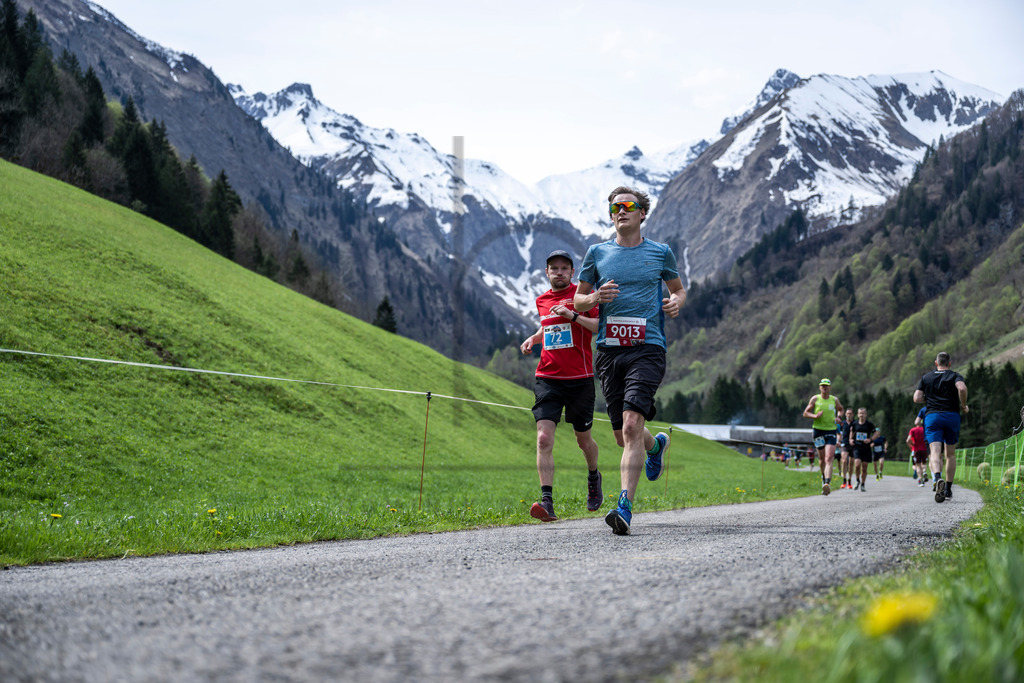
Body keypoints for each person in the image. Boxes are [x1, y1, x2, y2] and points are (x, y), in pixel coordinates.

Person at [574, 185, 686, 535]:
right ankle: (657, 447)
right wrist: (594, 297)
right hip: (609, 350)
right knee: (625, 436)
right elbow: (578, 302)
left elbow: (678, 289)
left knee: (633, 424)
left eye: (628, 206)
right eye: (614, 207)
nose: (620, 211)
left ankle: (624, 506)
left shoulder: (660, 252)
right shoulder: (597, 252)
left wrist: (677, 302)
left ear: (642, 213)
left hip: (647, 347)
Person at [520, 250, 602, 522]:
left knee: (583, 440)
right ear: (547, 272)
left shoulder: (582, 296)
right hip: (548, 378)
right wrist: (534, 337)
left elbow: (597, 327)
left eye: (564, 268)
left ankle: (593, 476)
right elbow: (549, 325)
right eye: (553, 268)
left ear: (572, 272)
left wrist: (573, 315)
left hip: (580, 379)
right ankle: (547, 501)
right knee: (543, 438)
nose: (558, 272)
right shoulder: (542, 300)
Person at [913, 351, 969, 503]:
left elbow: (917, 398)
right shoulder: (955, 376)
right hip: (952, 416)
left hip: (933, 417)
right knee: (950, 454)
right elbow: (962, 389)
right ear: (949, 363)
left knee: (935, 452)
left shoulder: (926, 377)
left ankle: (937, 478)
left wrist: (930, 397)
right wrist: (963, 405)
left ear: (936, 363)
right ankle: (949, 489)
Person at [802, 379, 845, 495]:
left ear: (830, 388)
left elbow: (841, 409)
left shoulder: (834, 400)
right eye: (823, 386)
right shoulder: (815, 399)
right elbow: (805, 413)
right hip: (818, 431)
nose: (825, 388)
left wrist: (839, 417)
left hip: (831, 431)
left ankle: (827, 483)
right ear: (820, 388)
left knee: (829, 457)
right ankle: (823, 478)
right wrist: (815, 415)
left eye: (827, 386)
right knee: (821, 460)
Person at [850, 408, 876, 492]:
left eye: (863, 413)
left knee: (864, 468)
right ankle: (857, 480)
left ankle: (863, 484)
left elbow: (876, 433)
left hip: (866, 448)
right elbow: (852, 432)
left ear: (866, 414)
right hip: (857, 447)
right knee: (857, 465)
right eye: (860, 413)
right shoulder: (854, 424)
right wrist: (850, 439)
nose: (861, 415)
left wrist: (870, 439)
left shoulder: (869, 424)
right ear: (857, 415)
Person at [906, 422, 929, 487]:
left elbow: (908, 440)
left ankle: (921, 480)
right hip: (924, 449)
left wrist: (911, 445)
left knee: (918, 465)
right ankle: (924, 472)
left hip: (916, 449)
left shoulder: (913, 430)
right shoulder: (925, 429)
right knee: (924, 463)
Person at [838, 408, 855, 489]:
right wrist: (838, 439)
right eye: (847, 413)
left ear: (853, 415)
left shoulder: (855, 423)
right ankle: (844, 480)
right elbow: (838, 432)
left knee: (851, 463)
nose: (849, 415)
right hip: (844, 444)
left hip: (853, 444)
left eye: (850, 413)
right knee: (844, 461)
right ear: (845, 415)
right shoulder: (842, 423)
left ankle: (850, 480)